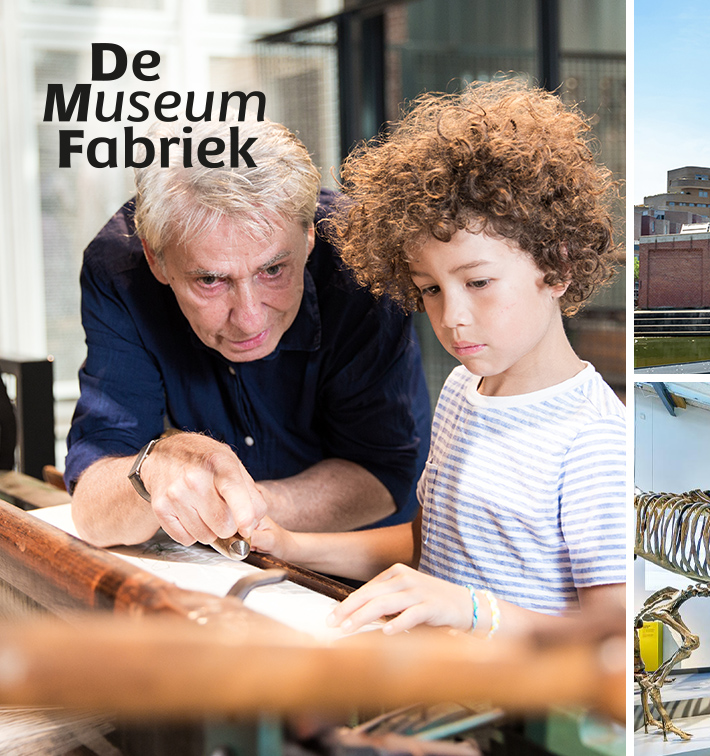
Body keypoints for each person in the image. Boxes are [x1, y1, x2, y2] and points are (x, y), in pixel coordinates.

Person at [251, 79, 625, 637]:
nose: (452, 317)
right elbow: (429, 547)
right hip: (437, 684)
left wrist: (473, 611)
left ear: (558, 267)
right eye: (430, 289)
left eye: (477, 282)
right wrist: (289, 545)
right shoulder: (459, 391)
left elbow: (610, 630)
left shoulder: (594, 439)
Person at [67, 118, 429, 551]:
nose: (251, 320)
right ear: (156, 257)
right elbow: (94, 509)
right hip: (211, 569)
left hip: (365, 559)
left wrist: (234, 504)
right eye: (211, 281)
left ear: (310, 234)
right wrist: (154, 469)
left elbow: (382, 475)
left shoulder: (361, 258)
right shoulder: (119, 271)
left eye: (273, 270)